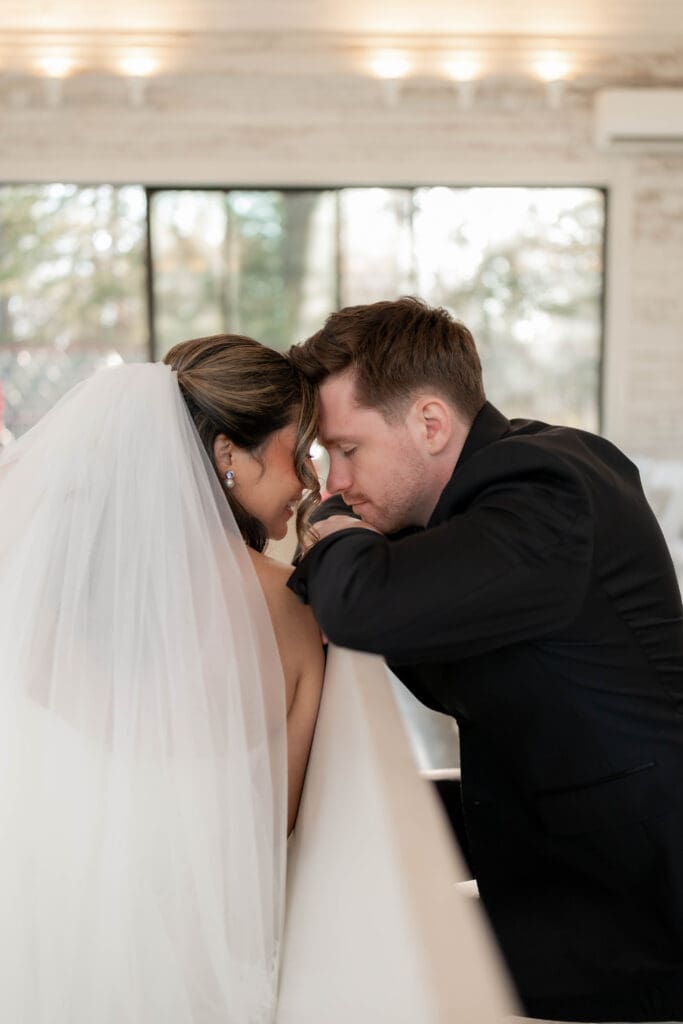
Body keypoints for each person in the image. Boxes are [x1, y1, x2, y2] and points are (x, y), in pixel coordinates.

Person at [287, 296, 683, 1023]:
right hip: (556, 845)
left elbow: (361, 606)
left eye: (345, 450)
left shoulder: (539, 487)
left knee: (356, 970)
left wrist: (324, 523)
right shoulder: (474, 505)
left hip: (640, 903)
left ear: (431, 424)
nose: (335, 480)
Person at [0, 333, 324, 1023]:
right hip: (203, 971)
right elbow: (283, 825)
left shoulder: (45, 608)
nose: (308, 482)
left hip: (55, 962)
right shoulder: (291, 608)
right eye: (298, 455)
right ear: (228, 455)